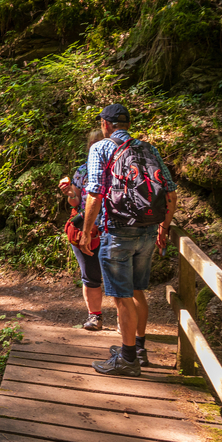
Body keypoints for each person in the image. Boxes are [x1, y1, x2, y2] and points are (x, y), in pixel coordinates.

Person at [80, 103, 178, 377]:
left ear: (105, 124)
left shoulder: (100, 148)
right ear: (127, 124)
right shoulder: (148, 149)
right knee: (137, 290)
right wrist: (164, 227)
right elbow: (170, 193)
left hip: (118, 232)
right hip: (147, 229)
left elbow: (95, 193)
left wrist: (87, 231)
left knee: (122, 297)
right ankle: (138, 349)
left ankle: (127, 360)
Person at [58, 129, 105, 331]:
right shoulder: (82, 171)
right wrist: (69, 193)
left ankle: (124, 321)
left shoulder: (118, 169)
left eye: (100, 142)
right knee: (90, 275)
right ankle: (95, 317)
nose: (96, 147)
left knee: (119, 277)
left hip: (112, 228)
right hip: (86, 228)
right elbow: (75, 202)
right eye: (93, 143)